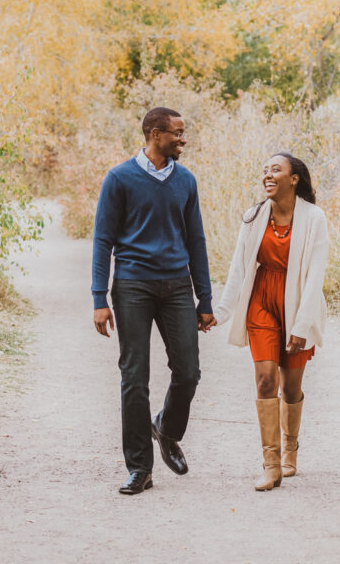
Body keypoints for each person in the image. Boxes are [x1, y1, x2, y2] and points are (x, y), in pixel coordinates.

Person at [92, 107, 216, 495]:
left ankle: (167, 428)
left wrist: (205, 298)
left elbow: (196, 240)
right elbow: (102, 240)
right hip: (132, 286)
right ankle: (140, 468)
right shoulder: (119, 179)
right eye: (177, 133)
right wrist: (100, 297)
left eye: (183, 133)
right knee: (134, 377)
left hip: (177, 286)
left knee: (189, 371)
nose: (183, 139)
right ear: (154, 133)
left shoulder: (186, 181)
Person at [214, 153, 329, 490]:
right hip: (262, 301)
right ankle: (271, 464)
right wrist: (220, 313)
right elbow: (238, 268)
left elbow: (315, 277)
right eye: (265, 170)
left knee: (290, 387)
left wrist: (302, 325)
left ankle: (291, 448)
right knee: (266, 380)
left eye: (276, 170)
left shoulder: (314, 218)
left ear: (294, 179)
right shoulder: (254, 217)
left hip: (296, 303)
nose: (268, 174)